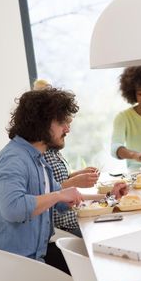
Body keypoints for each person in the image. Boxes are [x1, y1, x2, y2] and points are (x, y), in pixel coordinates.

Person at [0, 88, 128, 281]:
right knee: (96, 275)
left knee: (93, 270)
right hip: (21, 261)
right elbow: (12, 208)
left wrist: (107, 196)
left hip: (37, 250)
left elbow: (65, 200)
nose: (68, 128)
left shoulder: (36, 158)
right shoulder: (15, 159)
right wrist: (56, 196)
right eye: (62, 122)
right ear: (42, 123)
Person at [33, 79, 100, 237]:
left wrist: (76, 175)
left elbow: (54, 180)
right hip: (62, 229)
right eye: (63, 123)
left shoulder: (53, 148)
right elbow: (44, 194)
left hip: (71, 218)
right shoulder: (38, 153)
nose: (68, 129)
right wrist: (73, 182)